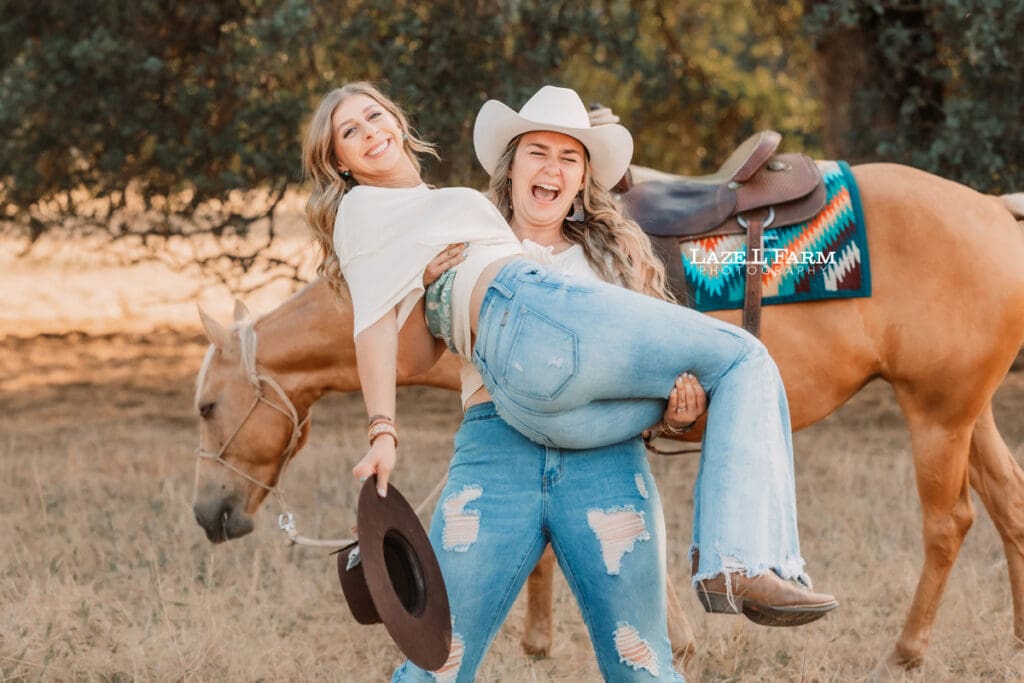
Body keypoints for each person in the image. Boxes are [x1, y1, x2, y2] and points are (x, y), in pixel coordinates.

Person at [301, 82, 837, 673]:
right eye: (538, 152)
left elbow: (649, 375)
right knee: (438, 657)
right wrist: (422, 291)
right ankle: (737, 564)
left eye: (569, 158)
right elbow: (401, 356)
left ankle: (739, 564)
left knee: (641, 659)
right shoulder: (468, 238)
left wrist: (676, 410)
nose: (552, 168)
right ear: (511, 168)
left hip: (603, 456)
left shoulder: (614, 258)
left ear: (582, 180)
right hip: (496, 444)